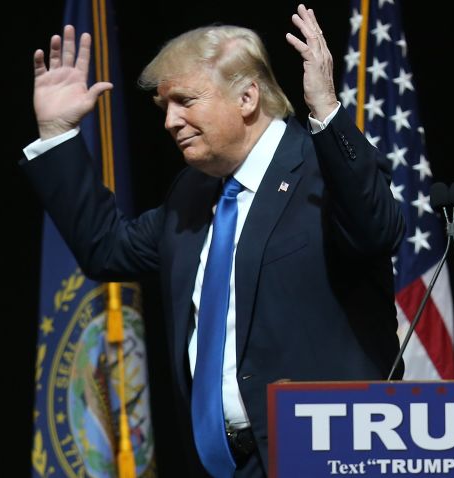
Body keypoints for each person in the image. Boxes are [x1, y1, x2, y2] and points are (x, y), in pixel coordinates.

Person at [23, 4, 404, 477]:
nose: (170, 122)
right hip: (224, 465)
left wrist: (327, 110)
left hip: (329, 455)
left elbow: (375, 230)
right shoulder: (193, 194)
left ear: (247, 97)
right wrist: (57, 135)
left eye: (185, 101)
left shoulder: (322, 171)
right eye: (165, 107)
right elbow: (106, 249)